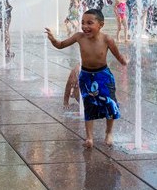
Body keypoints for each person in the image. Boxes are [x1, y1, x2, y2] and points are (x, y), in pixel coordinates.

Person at [45, 9, 128, 148]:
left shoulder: (107, 39)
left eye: (90, 23)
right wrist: (53, 39)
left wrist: (125, 61)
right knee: (89, 105)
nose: (85, 26)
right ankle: (89, 138)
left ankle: (109, 132)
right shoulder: (79, 37)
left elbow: (118, 56)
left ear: (101, 24)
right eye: (83, 23)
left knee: (110, 104)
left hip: (103, 76)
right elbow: (60, 45)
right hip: (86, 76)